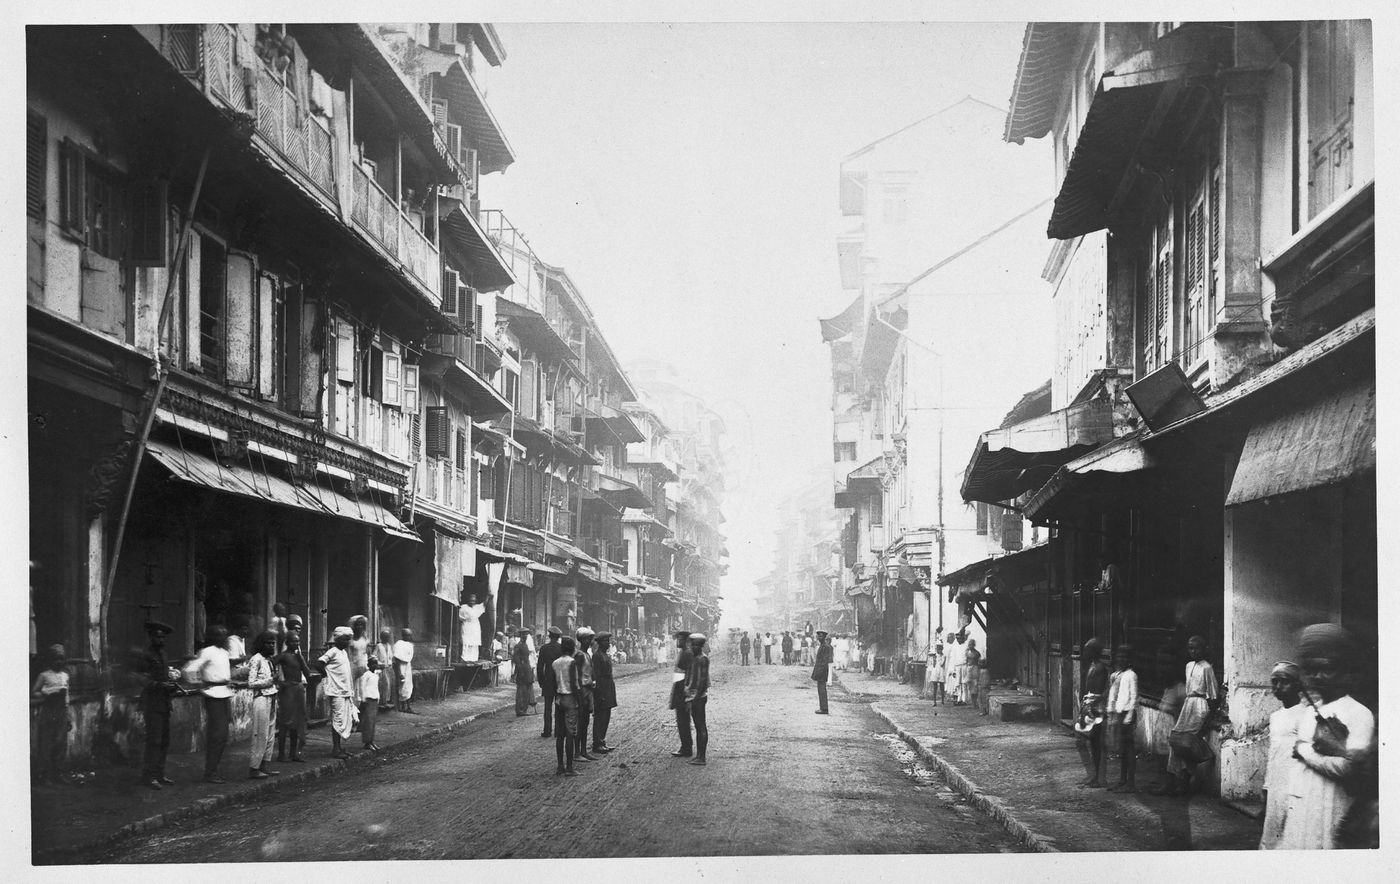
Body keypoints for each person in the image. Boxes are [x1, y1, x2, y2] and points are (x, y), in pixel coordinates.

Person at [1277, 624, 1377, 849]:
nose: (1317, 676)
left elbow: (1349, 768)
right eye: (1311, 670)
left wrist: (1305, 751)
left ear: (1344, 670)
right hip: (1303, 805)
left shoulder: (1358, 713)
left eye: (1326, 669)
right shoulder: (1310, 711)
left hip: (1332, 806)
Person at [1160, 634, 1220, 796]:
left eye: (1197, 648)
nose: (1193, 651)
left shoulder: (1207, 668)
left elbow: (1213, 696)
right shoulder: (1188, 666)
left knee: (1188, 743)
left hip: (1200, 707)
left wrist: (1207, 721)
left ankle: (1184, 782)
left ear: (1204, 649)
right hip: (1188, 706)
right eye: (1190, 648)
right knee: (1176, 742)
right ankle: (1171, 779)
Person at [1260, 660, 1303, 848]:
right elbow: (1273, 754)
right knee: (1274, 827)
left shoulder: (1304, 715)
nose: (1278, 686)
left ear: (1297, 685)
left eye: (1284, 682)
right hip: (1277, 781)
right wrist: (1267, 785)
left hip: (1295, 781)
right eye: (1274, 681)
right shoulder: (1275, 717)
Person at [186, 626, 234, 783]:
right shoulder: (207, 651)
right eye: (219, 635)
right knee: (217, 735)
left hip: (224, 693)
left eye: (225, 635)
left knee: (223, 735)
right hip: (213, 695)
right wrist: (199, 683)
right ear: (213, 637)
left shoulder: (224, 652)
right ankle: (210, 772)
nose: (223, 638)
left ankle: (214, 770)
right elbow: (189, 669)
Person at [136, 621, 179, 789]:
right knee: (154, 740)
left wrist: (170, 684)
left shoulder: (163, 654)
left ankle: (160, 774)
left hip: (164, 702)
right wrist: (160, 685)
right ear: (151, 637)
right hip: (152, 702)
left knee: (164, 740)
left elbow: (163, 676)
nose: (160, 639)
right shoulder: (145, 655)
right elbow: (140, 677)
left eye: (162, 637)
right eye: (157, 636)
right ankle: (149, 776)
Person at [31, 643, 71, 784]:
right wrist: (48, 692)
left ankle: (58, 773)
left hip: (61, 711)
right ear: (50, 660)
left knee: (60, 743)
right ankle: (44, 775)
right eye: (55, 659)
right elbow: (34, 692)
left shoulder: (65, 676)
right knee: (47, 743)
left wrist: (68, 716)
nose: (59, 662)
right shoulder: (44, 675)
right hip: (48, 711)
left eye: (61, 659)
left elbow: (67, 697)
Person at [314, 626, 357, 759]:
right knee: (338, 719)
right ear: (337, 639)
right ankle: (336, 749)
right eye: (344, 639)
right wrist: (328, 676)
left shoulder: (343, 653)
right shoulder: (332, 651)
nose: (346, 642)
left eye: (348, 640)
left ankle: (339, 748)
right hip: (336, 691)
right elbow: (319, 664)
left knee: (344, 719)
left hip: (345, 691)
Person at [245, 630, 280, 779]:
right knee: (260, 734)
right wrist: (269, 681)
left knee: (270, 734)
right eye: (268, 643)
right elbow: (251, 683)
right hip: (261, 699)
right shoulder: (256, 659)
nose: (271, 646)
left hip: (271, 698)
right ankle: (254, 768)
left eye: (273, 643)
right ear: (261, 644)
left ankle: (265, 765)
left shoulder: (269, 660)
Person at [274, 629, 313, 763]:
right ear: (287, 642)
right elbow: (270, 664)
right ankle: (281, 754)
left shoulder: (298, 656)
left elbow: (307, 673)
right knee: (286, 722)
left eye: (298, 641)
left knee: (298, 722)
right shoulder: (283, 656)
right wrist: (279, 682)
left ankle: (293, 753)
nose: (296, 643)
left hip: (299, 689)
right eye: (293, 641)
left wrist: (301, 658)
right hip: (288, 691)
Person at [1105, 644, 1139, 792]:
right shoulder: (1117, 674)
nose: (1121, 659)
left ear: (1130, 660)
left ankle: (1130, 783)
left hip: (1127, 715)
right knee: (1122, 750)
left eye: (1125, 657)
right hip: (1119, 714)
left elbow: (1134, 697)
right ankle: (1122, 780)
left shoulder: (1131, 675)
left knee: (1129, 750)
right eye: (1119, 656)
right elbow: (1113, 695)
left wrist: (1129, 717)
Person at [1077, 637, 1110, 788]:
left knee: (1096, 743)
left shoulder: (1100, 668)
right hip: (1089, 706)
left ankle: (1099, 778)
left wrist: (1093, 707)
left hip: (1095, 708)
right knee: (1087, 742)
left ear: (1094, 651)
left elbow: (1101, 691)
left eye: (1087, 649)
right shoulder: (1091, 666)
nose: (1084, 652)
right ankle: (1094, 775)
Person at [551, 636, 581, 776]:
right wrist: (579, 701)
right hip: (570, 698)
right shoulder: (572, 662)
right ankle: (569, 767)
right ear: (572, 648)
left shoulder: (555, 663)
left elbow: (553, 683)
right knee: (570, 734)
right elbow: (574, 684)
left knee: (560, 735)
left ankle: (559, 766)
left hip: (558, 699)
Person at [684, 633, 710, 765]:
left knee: (700, 726)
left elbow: (703, 680)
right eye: (691, 644)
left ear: (700, 646)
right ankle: (699, 755)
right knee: (698, 724)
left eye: (695, 645)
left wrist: (696, 697)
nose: (692, 647)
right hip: (694, 695)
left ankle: (701, 757)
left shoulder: (702, 658)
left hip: (698, 696)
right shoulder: (695, 658)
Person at [573, 627, 598, 761]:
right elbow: (576, 676)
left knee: (585, 721)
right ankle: (577, 752)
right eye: (588, 639)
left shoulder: (587, 654)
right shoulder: (579, 655)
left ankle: (583, 750)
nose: (590, 641)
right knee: (580, 722)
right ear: (582, 640)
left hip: (588, 690)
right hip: (582, 690)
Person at [592, 632, 618, 754]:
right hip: (602, 689)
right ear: (599, 642)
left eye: (608, 641)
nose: (607, 643)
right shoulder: (597, 656)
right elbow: (596, 676)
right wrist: (599, 693)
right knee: (600, 717)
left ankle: (602, 741)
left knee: (606, 716)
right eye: (605, 641)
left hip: (608, 688)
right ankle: (597, 743)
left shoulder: (604, 655)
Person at [670, 629, 695, 757]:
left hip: (683, 692)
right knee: (682, 721)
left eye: (680, 639)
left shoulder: (687, 653)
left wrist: (686, 695)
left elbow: (689, 675)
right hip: (680, 690)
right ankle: (686, 747)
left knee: (683, 721)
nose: (677, 642)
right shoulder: (684, 652)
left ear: (685, 641)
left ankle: (686, 748)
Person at [537, 626, 564, 738]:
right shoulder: (562, 648)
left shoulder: (544, 648)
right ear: (558, 637)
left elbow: (540, 667)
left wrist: (541, 681)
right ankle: (558, 731)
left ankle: (547, 731)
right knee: (559, 706)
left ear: (549, 636)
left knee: (547, 707)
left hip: (548, 679)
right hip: (559, 679)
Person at [359, 657, 382, 753]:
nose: (374, 665)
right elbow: (362, 687)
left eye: (375, 663)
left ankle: (371, 741)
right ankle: (367, 742)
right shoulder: (366, 675)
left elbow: (375, 687)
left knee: (372, 722)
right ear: (368, 665)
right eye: (372, 664)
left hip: (374, 699)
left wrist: (378, 697)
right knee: (367, 722)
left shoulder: (376, 675)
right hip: (368, 699)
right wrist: (363, 699)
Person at [347, 615, 370, 709]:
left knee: (363, 690)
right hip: (353, 667)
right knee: (354, 690)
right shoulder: (350, 640)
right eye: (357, 625)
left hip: (364, 666)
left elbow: (366, 652)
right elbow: (348, 656)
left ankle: (361, 713)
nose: (359, 627)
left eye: (361, 625)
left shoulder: (365, 638)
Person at [512, 628, 536, 717]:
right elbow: (517, 660)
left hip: (527, 669)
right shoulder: (518, 646)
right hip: (522, 671)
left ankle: (524, 709)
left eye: (526, 634)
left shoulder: (525, 645)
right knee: (521, 691)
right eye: (523, 634)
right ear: (520, 635)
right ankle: (520, 710)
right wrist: (520, 671)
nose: (525, 636)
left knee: (526, 691)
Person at [393, 627, 416, 714]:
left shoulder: (410, 645)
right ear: (403, 635)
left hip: (408, 667)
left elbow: (409, 657)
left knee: (408, 686)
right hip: (401, 667)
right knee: (402, 686)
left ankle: (408, 707)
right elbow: (397, 659)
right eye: (406, 635)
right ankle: (402, 706)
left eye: (409, 635)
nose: (408, 637)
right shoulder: (399, 644)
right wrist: (399, 672)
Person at [458, 593, 486, 662]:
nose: (472, 602)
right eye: (470, 600)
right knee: (466, 641)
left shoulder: (477, 607)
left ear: (476, 601)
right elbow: (459, 617)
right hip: (467, 625)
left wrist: (488, 596)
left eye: (473, 600)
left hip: (475, 626)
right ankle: (465, 658)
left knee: (474, 642)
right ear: (468, 600)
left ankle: (473, 658)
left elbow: (484, 604)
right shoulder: (463, 607)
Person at [374, 628, 395, 713]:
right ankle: (381, 702)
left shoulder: (389, 646)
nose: (386, 639)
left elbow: (390, 657)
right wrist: (379, 663)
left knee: (388, 685)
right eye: (384, 637)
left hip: (388, 668)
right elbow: (374, 656)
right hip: (380, 668)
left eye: (387, 637)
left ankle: (385, 701)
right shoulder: (379, 646)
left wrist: (390, 663)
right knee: (382, 685)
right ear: (381, 637)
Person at [813, 630, 833, 714]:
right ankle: (823, 707)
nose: (819, 638)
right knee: (820, 689)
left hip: (822, 670)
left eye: (821, 636)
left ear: (824, 637)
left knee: (822, 690)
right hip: (821, 670)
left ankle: (824, 708)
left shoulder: (825, 647)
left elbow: (824, 661)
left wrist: (819, 671)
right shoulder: (822, 646)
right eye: (818, 636)